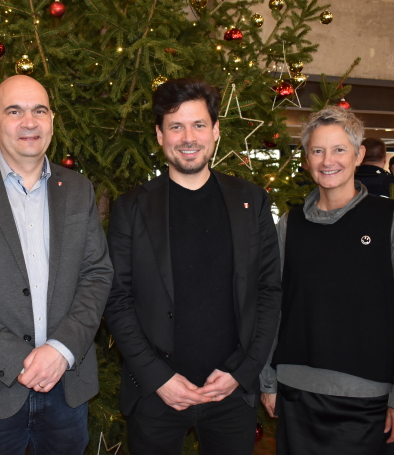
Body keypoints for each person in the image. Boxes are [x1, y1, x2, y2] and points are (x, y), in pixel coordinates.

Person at [0, 75, 113, 455]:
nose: (29, 122)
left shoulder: (78, 190)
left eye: (39, 111)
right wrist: (17, 360)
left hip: (67, 386)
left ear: (51, 121)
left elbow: (97, 274)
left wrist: (60, 349)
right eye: (15, 111)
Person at [104, 78, 282, 455]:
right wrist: (159, 378)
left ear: (215, 131)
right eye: (176, 126)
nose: (188, 137)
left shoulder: (252, 201)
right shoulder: (131, 207)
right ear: (159, 135)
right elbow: (117, 300)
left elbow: (268, 292)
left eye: (199, 125)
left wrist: (242, 372)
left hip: (231, 394)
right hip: (156, 395)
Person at [260, 107, 394, 454]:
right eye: (317, 150)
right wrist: (267, 378)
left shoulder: (393, 220)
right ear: (307, 159)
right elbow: (272, 307)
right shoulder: (289, 226)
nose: (328, 161)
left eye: (339, 149)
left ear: (359, 154)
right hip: (297, 396)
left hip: (370, 404)